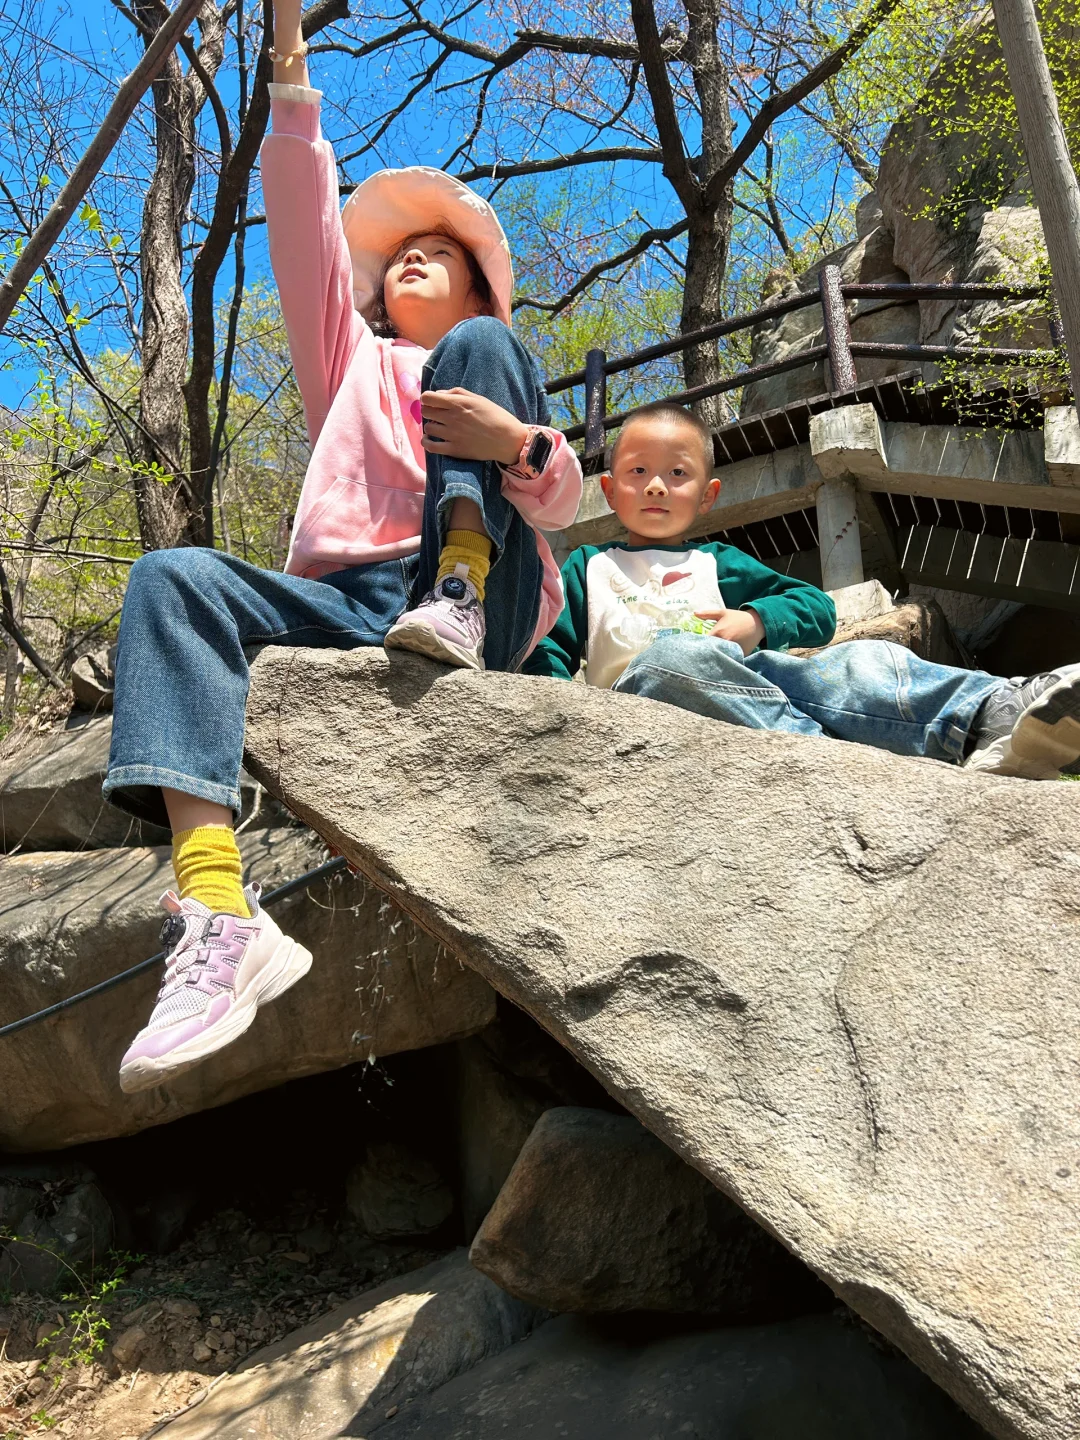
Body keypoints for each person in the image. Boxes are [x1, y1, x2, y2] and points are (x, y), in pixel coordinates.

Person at [104, 1, 582, 1095]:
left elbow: (560, 509)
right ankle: (221, 914)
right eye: (397, 259)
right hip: (350, 610)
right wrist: (286, 58)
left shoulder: (489, 348)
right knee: (172, 578)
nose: (406, 266)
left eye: (433, 257)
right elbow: (303, 227)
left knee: (486, 360)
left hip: (479, 592)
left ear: (475, 282)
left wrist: (520, 443)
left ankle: (454, 585)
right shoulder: (354, 366)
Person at [525, 401, 1080, 780]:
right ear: (609, 489)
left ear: (708, 495)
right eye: (638, 470)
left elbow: (814, 607)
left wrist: (757, 621)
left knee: (867, 659)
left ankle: (990, 714)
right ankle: (847, 759)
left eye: (677, 474)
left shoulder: (716, 562)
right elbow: (548, 649)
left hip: (752, 694)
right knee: (669, 657)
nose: (654, 485)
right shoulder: (590, 567)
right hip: (642, 710)